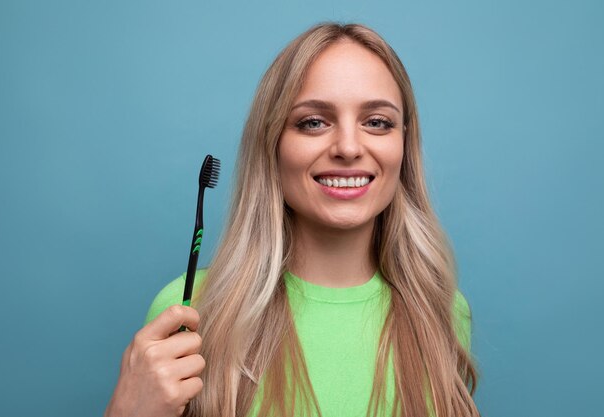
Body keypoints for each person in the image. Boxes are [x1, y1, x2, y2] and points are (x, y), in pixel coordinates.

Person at [104, 21, 480, 417]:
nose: (349, 147)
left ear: (404, 143)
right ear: (273, 144)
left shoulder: (442, 312)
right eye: (313, 122)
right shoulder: (190, 312)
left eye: (377, 122)